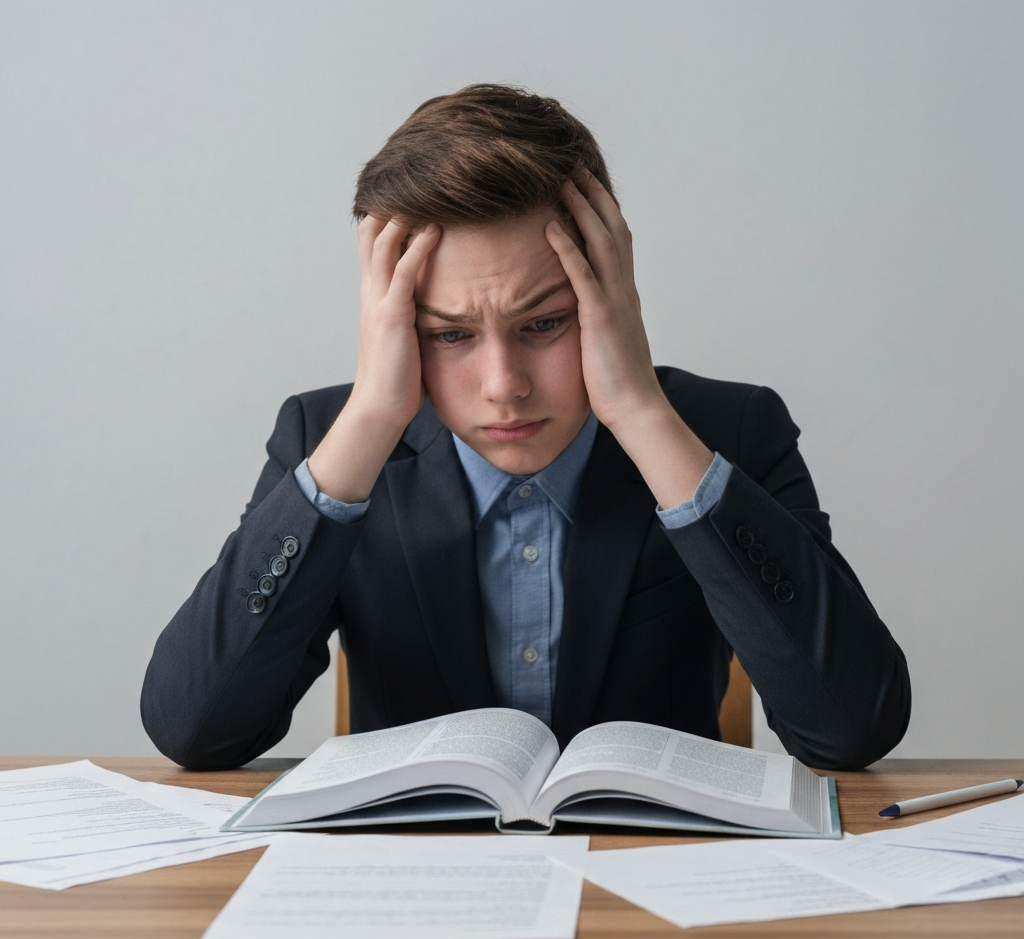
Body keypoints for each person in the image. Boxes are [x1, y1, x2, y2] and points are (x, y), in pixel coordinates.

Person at [141, 84, 910, 772]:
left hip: (653, 895)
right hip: (422, 896)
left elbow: (851, 729)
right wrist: (372, 416)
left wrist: (642, 413)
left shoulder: (726, 431)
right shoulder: (329, 439)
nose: (504, 385)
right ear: (397, 328)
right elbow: (195, 731)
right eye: (450, 335)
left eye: (545, 323)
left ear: (610, 298)